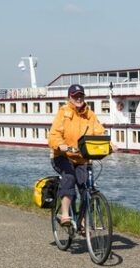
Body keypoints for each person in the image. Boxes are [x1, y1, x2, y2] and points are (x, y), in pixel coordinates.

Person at [48, 84, 106, 227]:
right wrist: (60, 145)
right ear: (70, 98)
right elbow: (54, 134)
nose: (79, 98)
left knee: (85, 186)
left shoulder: (90, 115)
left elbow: (99, 133)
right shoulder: (64, 112)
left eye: (81, 96)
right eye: (75, 96)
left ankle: (82, 220)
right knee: (69, 177)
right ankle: (65, 215)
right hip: (62, 156)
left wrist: (109, 145)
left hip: (82, 157)